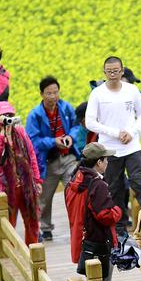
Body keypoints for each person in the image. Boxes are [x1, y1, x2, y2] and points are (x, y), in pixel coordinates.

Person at [84, 56, 141, 236]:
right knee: (114, 188)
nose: (113, 74)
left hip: (132, 146)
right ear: (104, 72)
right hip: (109, 148)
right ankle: (119, 231)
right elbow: (90, 122)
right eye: (109, 71)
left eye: (116, 71)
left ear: (122, 71)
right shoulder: (97, 93)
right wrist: (115, 133)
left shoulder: (132, 90)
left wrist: (132, 131)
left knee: (139, 181)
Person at [25, 76, 81, 241]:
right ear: (42, 94)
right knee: (45, 197)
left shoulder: (66, 107)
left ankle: (78, 224)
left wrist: (71, 136)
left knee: (75, 189)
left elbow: (76, 126)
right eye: (49, 93)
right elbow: (33, 140)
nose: (53, 97)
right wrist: (53, 142)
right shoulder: (35, 115)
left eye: (55, 92)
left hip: (69, 157)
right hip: (48, 162)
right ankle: (46, 228)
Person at [70, 143, 121, 281]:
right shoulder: (98, 184)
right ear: (99, 162)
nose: (107, 162)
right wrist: (117, 211)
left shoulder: (77, 178)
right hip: (100, 242)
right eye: (106, 159)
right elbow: (105, 215)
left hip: (86, 240)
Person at [0, 101, 41, 245]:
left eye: (10, 114)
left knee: (32, 221)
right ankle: (9, 252)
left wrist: (36, 180)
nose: (7, 117)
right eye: (4, 115)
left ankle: (31, 249)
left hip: (25, 186)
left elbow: (31, 155)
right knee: (8, 223)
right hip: (5, 189)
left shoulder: (21, 132)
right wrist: (3, 135)